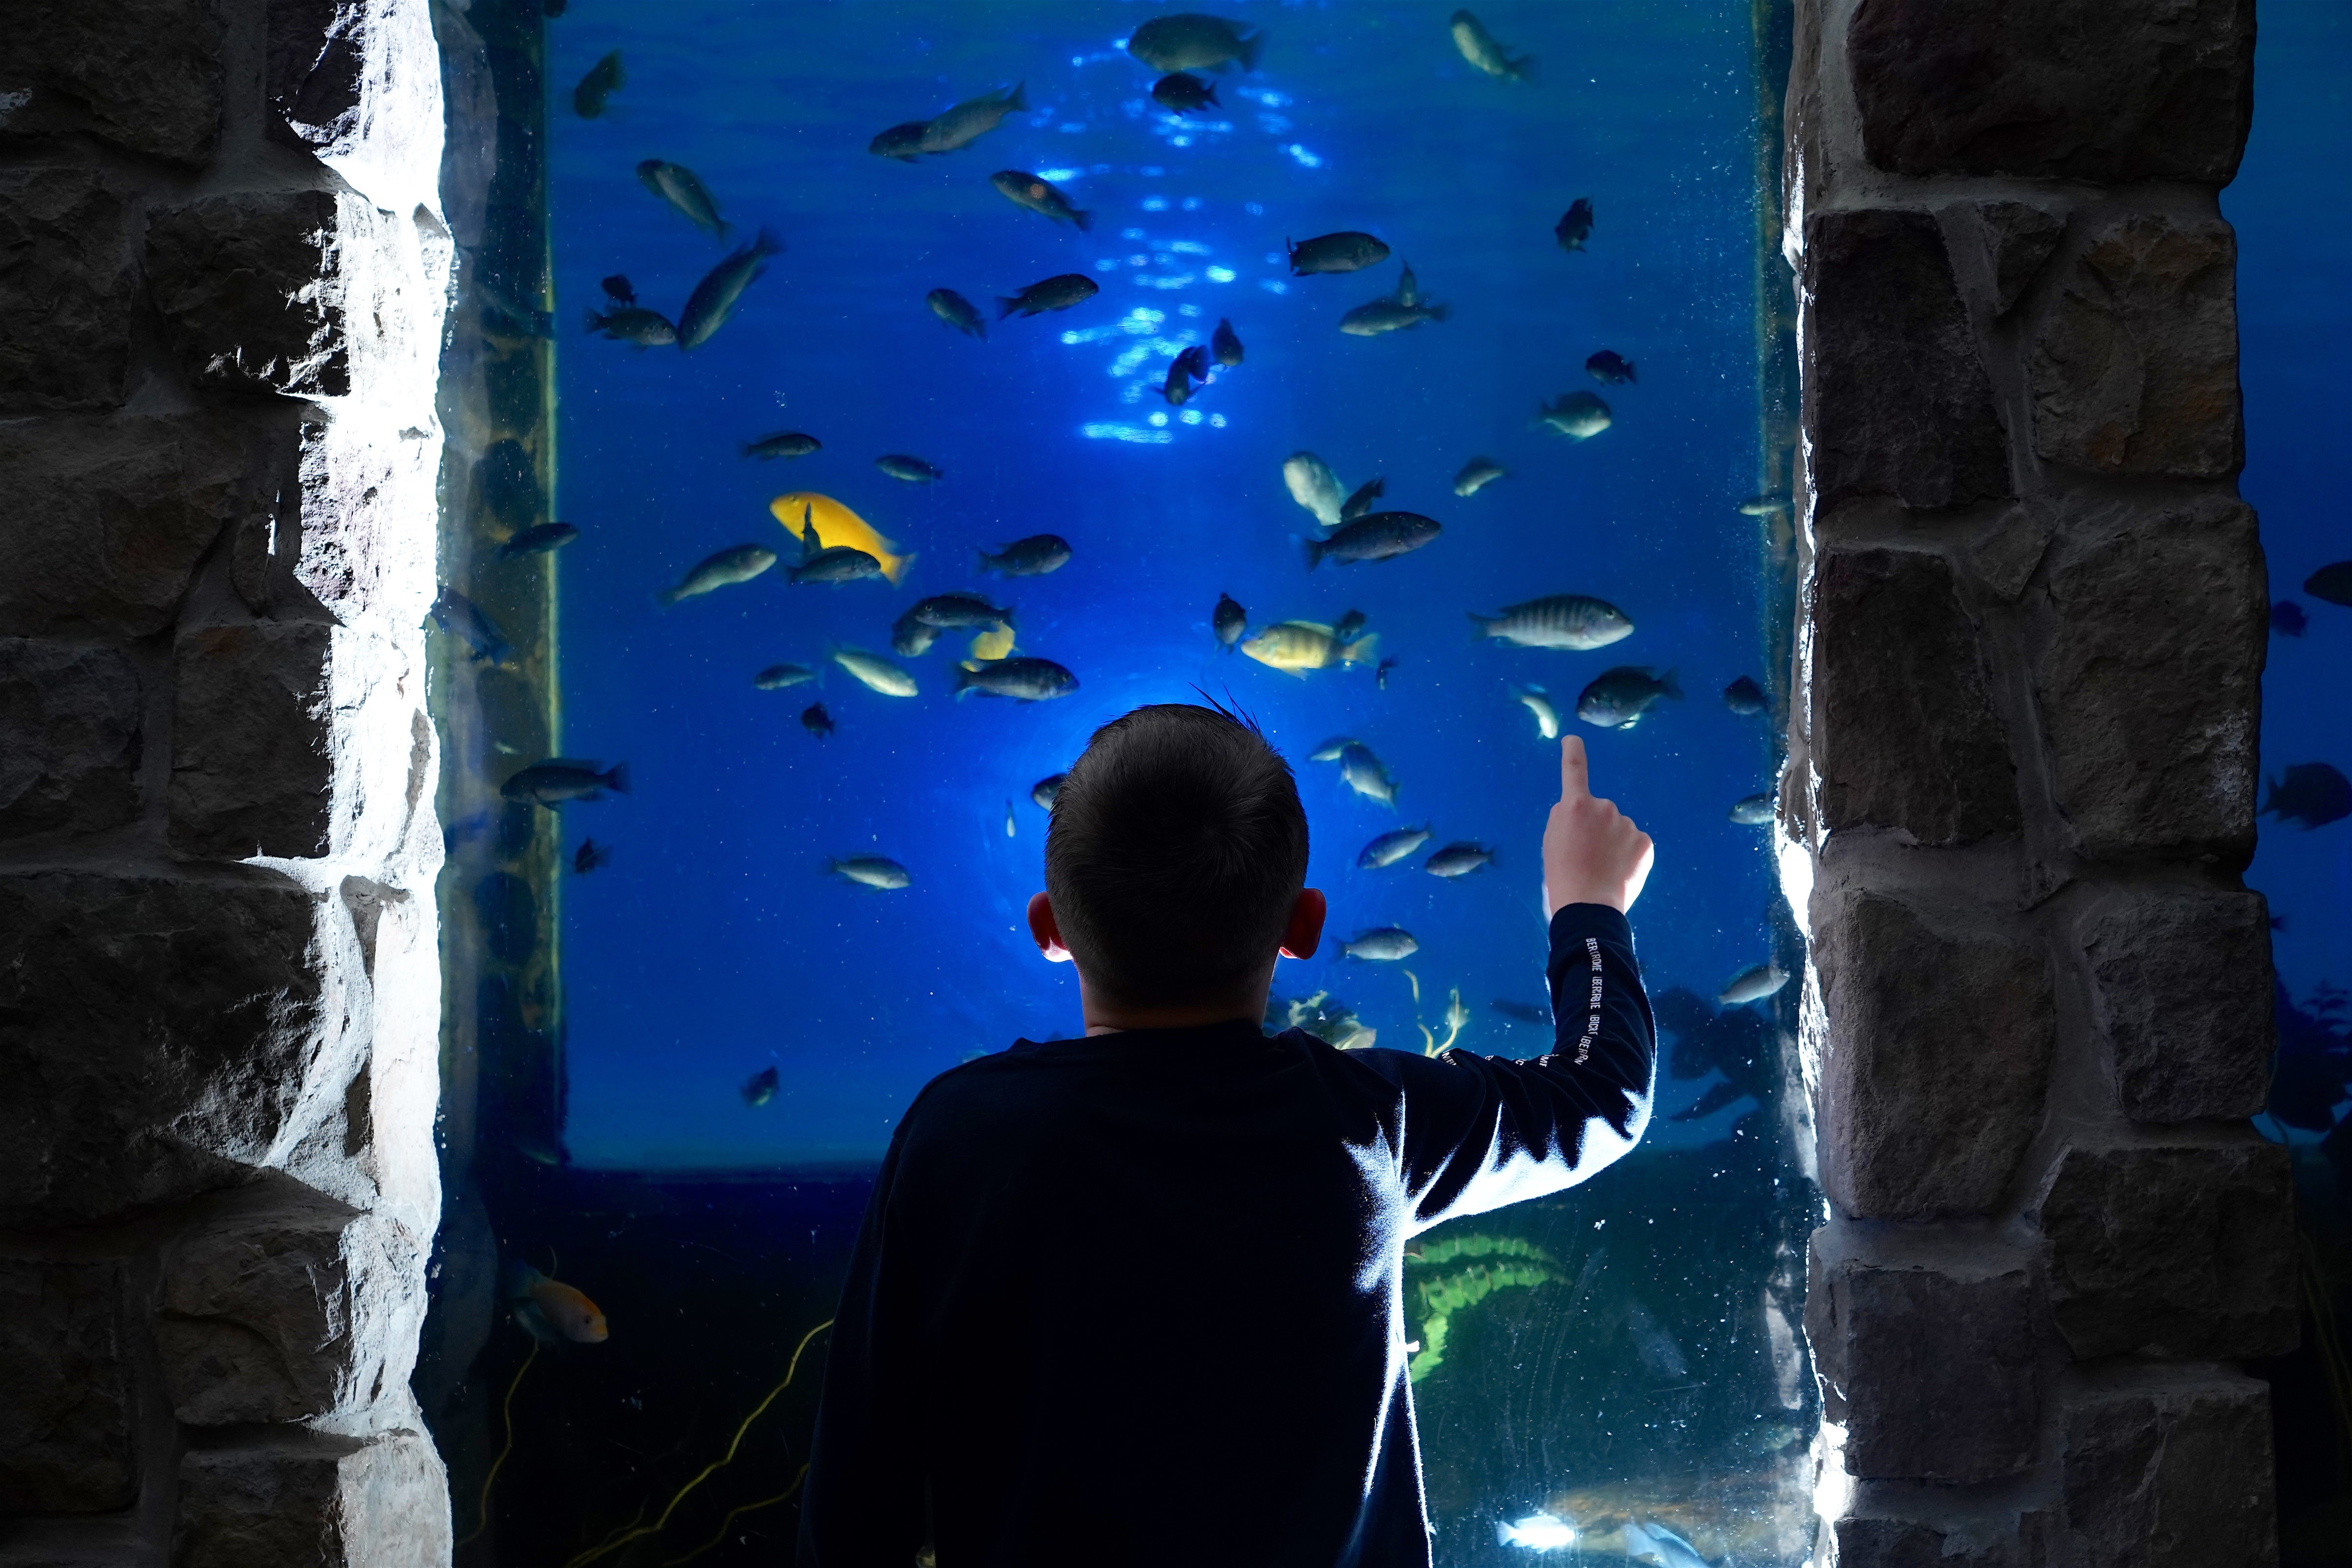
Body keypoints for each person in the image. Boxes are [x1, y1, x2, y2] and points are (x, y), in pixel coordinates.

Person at [798, 703, 1657, 1568]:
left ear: (1047, 928)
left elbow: (855, 1506)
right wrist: (1587, 910)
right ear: (1305, 927)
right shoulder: (1367, 1121)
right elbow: (1602, 1096)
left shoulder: (960, 1137)